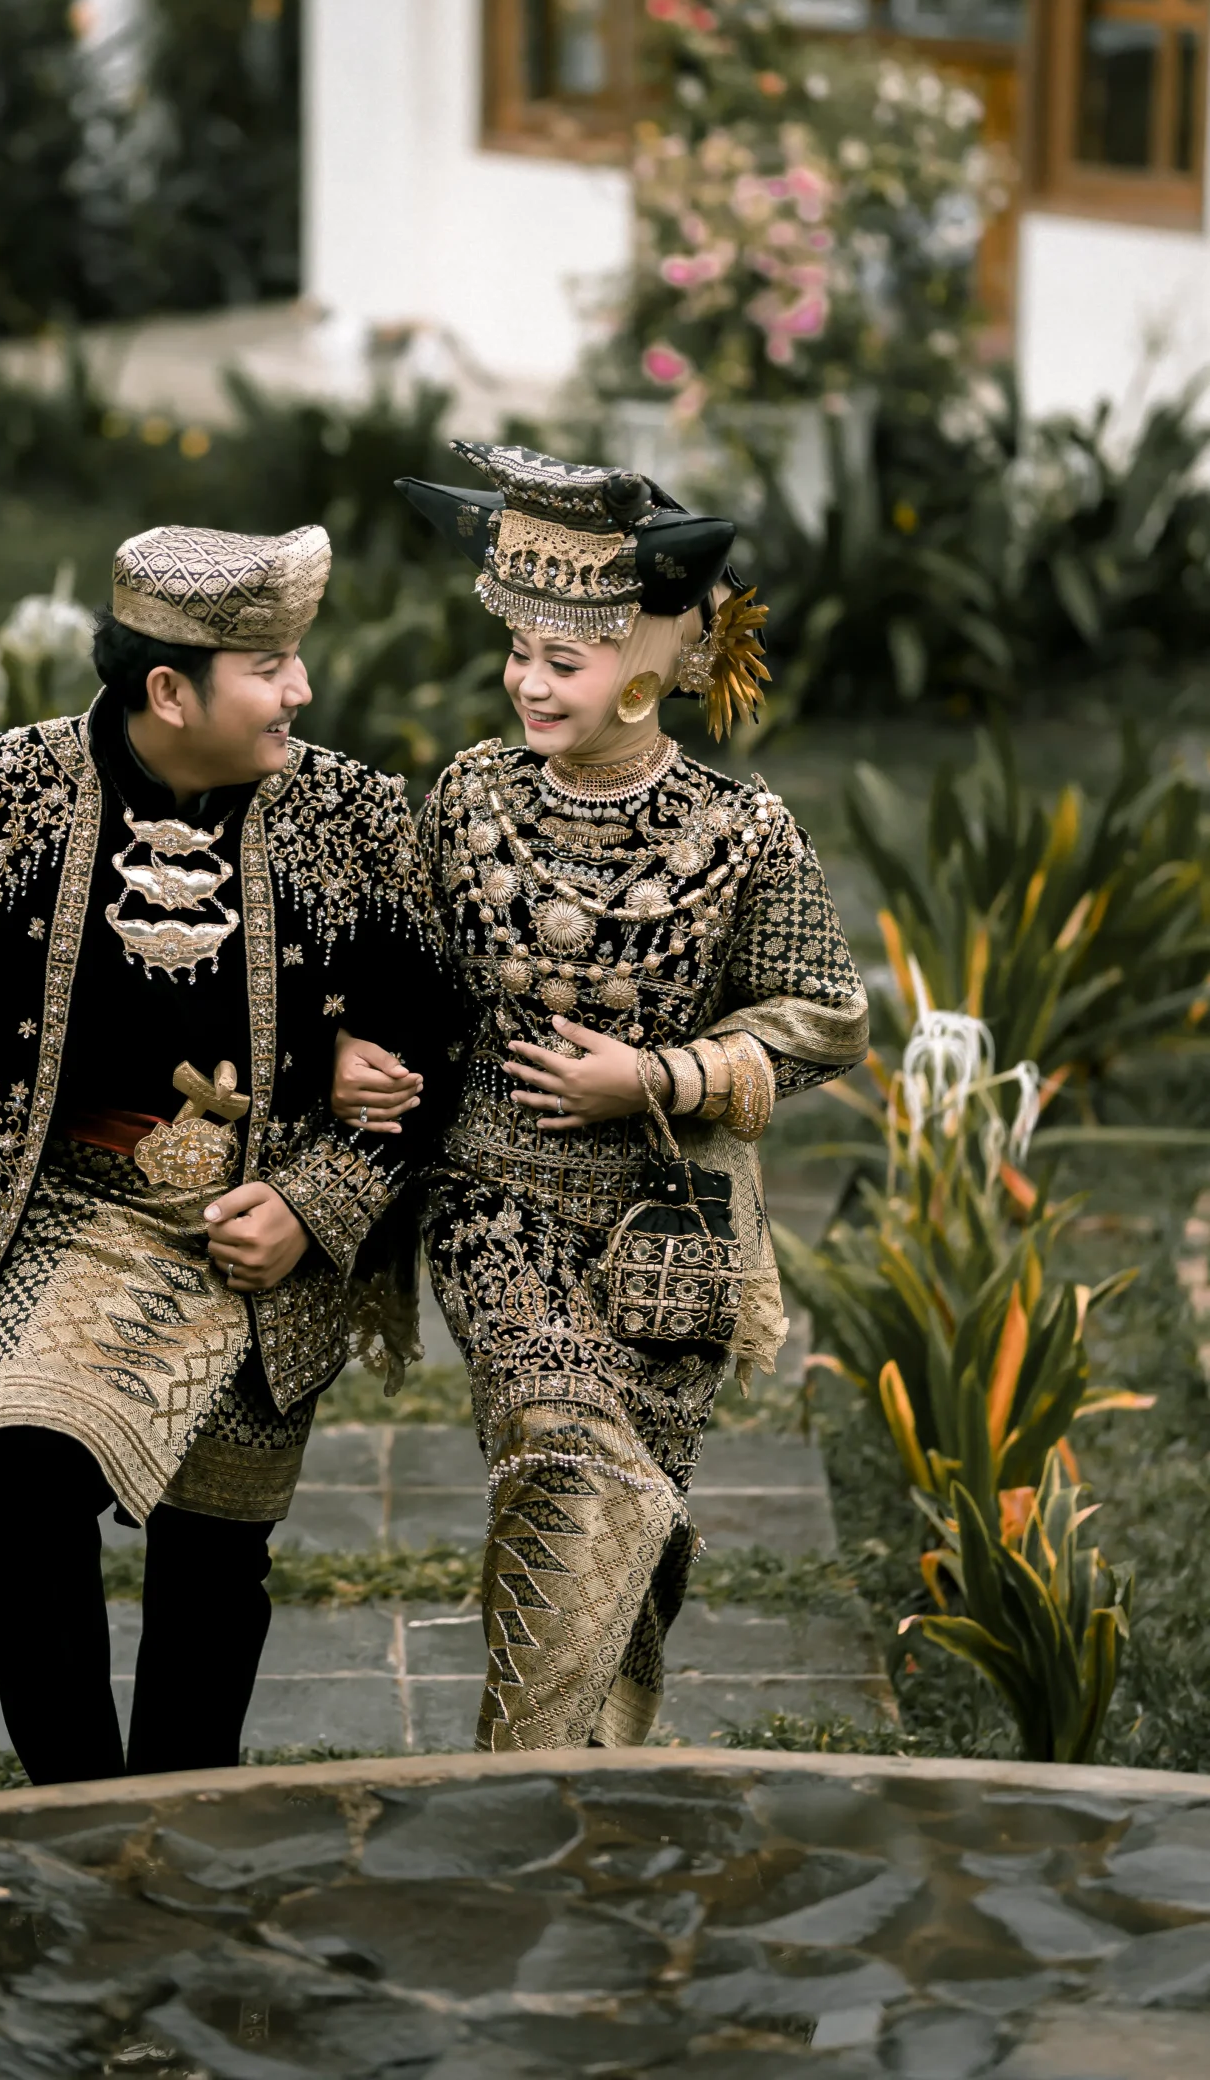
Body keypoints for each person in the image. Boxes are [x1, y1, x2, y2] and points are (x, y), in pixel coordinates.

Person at [0, 520, 445, 1784]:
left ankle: (178, 1821)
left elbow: (434, 1046)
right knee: (27, 1496)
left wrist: (313, 1202)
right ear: (170, 691)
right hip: (66, 1210)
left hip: (260, 1235)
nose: (301, 690)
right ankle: (77, 1815)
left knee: (214, 1557)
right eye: (270, 668)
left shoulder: (351, 813)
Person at [333, 443, 868, 1749]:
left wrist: (658, 1078)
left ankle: (594, 1780)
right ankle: (519, 1787)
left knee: (639, 1525)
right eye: (516, 651)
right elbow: (395, 973)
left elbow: (826, 1016)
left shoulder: (741, 833)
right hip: (491, 1200)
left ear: (644, 667)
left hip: (668, 1233)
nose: (525, 680)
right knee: (562, 1454)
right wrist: (349, 1049)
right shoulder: (469, 798)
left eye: (558, 661)